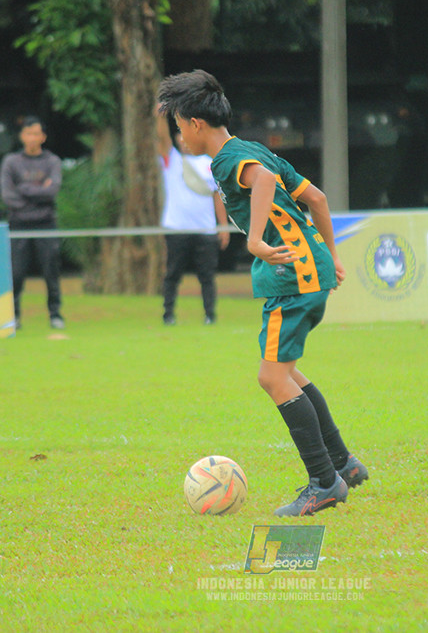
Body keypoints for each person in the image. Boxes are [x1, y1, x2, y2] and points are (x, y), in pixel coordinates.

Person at [158, 70, 369, 517]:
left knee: (272, 378)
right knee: (287, 374)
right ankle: (343, 464)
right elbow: (319, 199)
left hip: (293, 276)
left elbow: (264, 184)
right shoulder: (254, 149)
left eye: (179, 126)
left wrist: (254, 241)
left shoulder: (228, 160)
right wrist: (331, 258)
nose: (180, 137)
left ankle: (324, 483)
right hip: (307, 270)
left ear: (195, 124)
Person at [157, 112, 230, 326]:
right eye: (179, 134)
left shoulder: (210, 163)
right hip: (177, 229)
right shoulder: (172, 160)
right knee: (172, 274)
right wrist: (160, 117)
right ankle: (168, 314)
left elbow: (218, 196)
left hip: (205, 229)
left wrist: (223, 226)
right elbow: (162, 138)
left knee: (206, 276)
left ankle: (210, 315)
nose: (182, 139)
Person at [0, 116, 65, 330]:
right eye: (28, 133)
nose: (32, 138)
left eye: (36, 133)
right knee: (16, 273)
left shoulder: (52, 161)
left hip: (46, 224)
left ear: (43, 137)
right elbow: (8, 197)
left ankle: (55, 314)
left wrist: (24, 189)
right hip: (18, 225)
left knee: (51, 271)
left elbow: (52, 191)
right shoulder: (11, 162)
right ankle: (14, 316)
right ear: (22, 136)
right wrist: (38, 192)